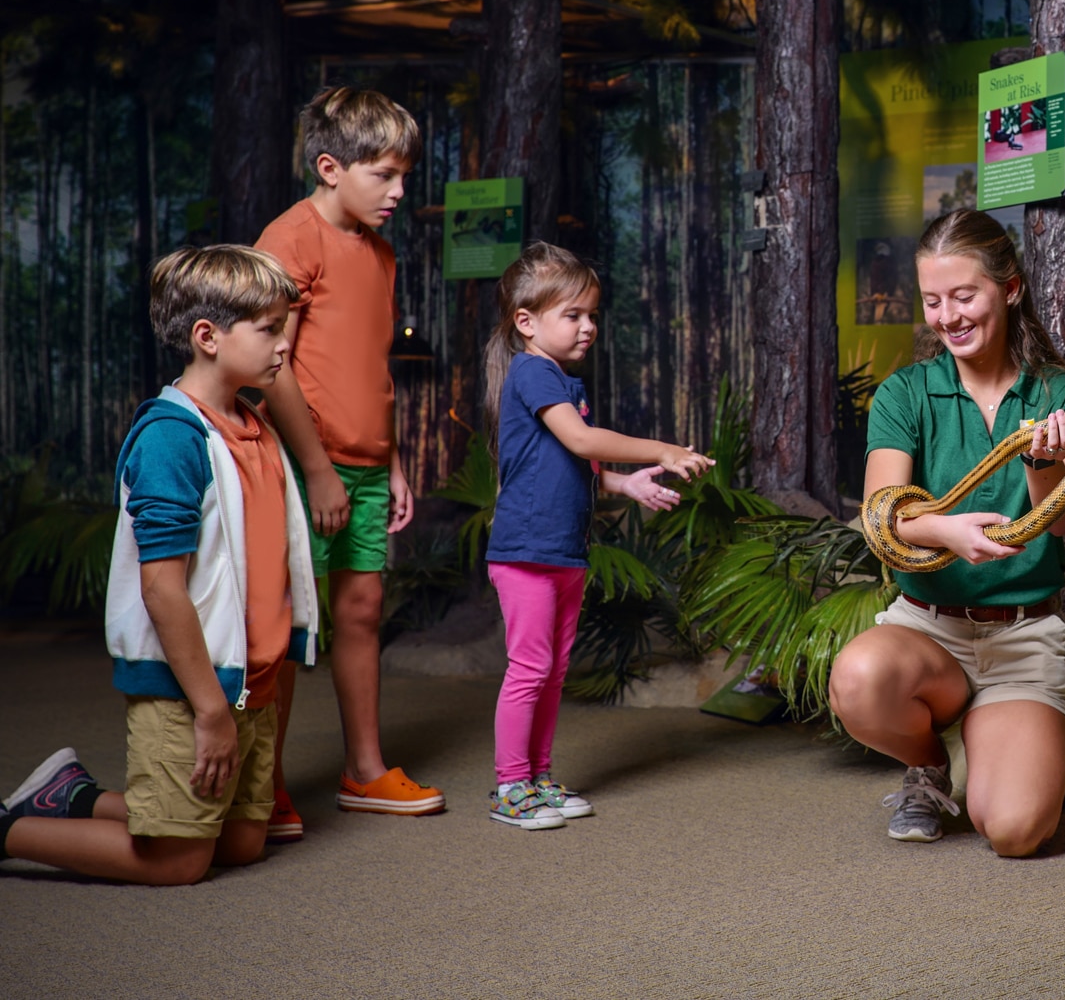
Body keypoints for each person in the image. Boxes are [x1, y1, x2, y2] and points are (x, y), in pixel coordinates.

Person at [0, 247, 316, 883]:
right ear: (208, 337)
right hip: (191, 690)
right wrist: (210, 712)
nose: (285, 346)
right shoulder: (172, 438)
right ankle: (11, 829)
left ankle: (74, 798)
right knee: (177, 862)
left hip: (252, 683)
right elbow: (162, 590)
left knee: (242, 843)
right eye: (270, 329)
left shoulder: (253, 424)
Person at [828, 208, 1065, 856]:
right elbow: (882, 512)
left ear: (1008, 288)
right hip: (926, 628)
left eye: (964, 295)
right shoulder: (906, 392)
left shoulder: (1063, 393)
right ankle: (929, 764)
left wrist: (1042, 456)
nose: (947, 316)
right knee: (858, 677)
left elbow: (1058, 520)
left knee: (1013, 831)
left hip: (1022, 638)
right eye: (933, 300)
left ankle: (1035, 742)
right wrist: (946, 530)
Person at [480, 243, 714, 829]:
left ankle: (537, 778)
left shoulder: (564, 381)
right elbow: (583, 442)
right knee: (530, 667)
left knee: (554, 669)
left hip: (564, 549)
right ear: (526, 322)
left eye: (592, 316)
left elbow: (569, 463)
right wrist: (662, 448)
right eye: (573, 315)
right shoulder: (533, 372)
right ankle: (510, 786)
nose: (588, 327)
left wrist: (625, 485)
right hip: (525, 550)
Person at [256, 87, 437, 832]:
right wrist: (321, 468)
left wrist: (390, 462)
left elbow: (370, 365)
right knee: (289, 622)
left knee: (361, 611)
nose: (398, 192)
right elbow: (273, 366)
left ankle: (365, 770)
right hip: (305, 468)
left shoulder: (381, 249)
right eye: (384, 175)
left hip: (365, 464)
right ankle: (260, 785)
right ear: (331, 166)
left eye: (404, 177)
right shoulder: (288, 240)